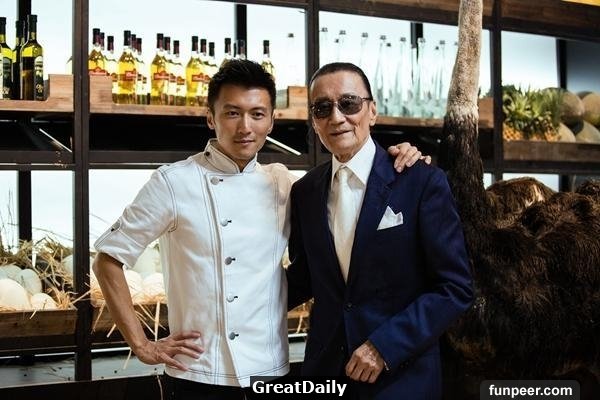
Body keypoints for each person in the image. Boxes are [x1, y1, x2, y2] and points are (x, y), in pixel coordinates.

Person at [92, 59, 426, 400]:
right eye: (232, 113)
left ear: (271, 120)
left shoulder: (283, 183)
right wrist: (142, 344)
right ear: (211, 118)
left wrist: (399, 156)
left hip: (270, 370)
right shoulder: (173, 182)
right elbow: (107, 260)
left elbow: (327, 245)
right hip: (198, 372)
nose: (245, 127)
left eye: (257, 114)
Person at [286, 62, 474, 400]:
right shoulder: (304, 192)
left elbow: (455, 287)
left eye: (349, 103)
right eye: (322, 108)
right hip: (325, 376)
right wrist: (219, 309)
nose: (337, 117)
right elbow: (303, 279)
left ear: (372, 111)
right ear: (313, 121)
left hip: (401, 379)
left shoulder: (421, 180)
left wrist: (384, 346)